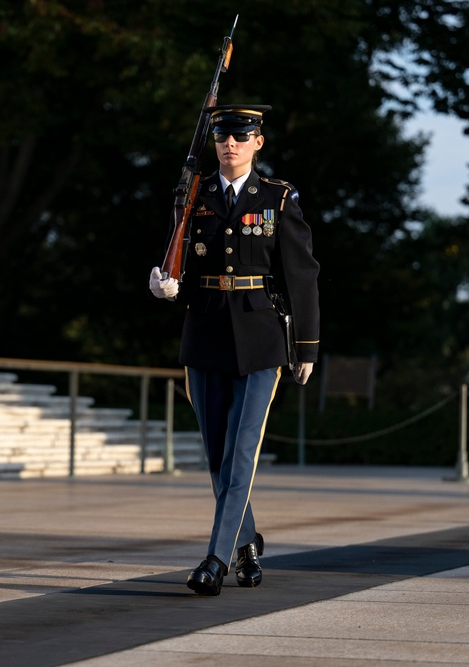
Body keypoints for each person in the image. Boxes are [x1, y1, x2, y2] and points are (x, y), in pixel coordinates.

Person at [148, 104, 320, 596]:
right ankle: (246, 546)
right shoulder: (194, 194)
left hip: (260, 336)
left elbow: (302, 274)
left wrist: (305, 344)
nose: (230, 143)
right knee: (218, 455)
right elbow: (171, 253)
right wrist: (162, 281)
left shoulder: (276, 198)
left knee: (242, 451)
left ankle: (215, 559)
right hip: (203, 330)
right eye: (223, 135)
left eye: (242, 136)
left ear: (258, 143)